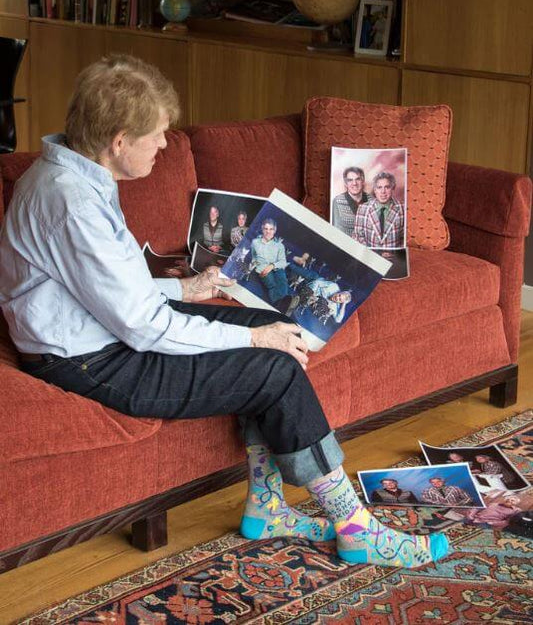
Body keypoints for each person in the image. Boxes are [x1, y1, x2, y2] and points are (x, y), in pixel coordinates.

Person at [0, 54, 448, 569]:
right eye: (158, 135)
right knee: (274, 364)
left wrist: (189, 289)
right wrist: (255, 343)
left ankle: (268, 506)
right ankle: (354, 525)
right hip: (93, 361)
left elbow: (99, 287)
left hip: (100, 334)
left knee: (274, 326)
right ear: (119, 140)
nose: (165, 145)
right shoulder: (71, 202)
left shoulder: (71, 175)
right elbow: (145, 327)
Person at [251, 218, 297, 314]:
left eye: (271, 229)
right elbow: (255, 258)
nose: (268, 231)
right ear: (262, 229)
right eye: (266, 229)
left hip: (275, 267)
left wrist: (272, 265)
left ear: (274, 230)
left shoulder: (280, 246)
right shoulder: (256, 242)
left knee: (282, 280)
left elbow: (282, 262)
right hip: (263, 268)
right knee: (272, 283)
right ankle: (281, 304)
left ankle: (283, 304)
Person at [289, 253, 352, 324]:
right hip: (314, 279)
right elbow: (318, 282)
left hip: (308, 292)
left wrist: (344, 305)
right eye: (339, 295)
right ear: (339, 292)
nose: (337, 297)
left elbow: (338, 320)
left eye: (340, 300)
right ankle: (290, 261)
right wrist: (312, 292)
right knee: (295, 269)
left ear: (340, 302)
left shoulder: (334, 306)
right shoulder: (334, 286)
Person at [353, 171, 405, 248]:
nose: (383, 192)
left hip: (393, 258)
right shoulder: (363, 209)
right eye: (379, 187)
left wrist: (395, 254)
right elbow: (358, 236)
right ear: (375, 190)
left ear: (392, 188)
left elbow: (405, 238)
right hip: (369, 257)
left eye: (387, 187)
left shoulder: (402, 208)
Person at [331, 167, 369, 237]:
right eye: (350, 180)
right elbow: (335, 231)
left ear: (363, 181)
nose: (354, 183)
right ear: (345, 184)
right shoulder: (337, 201)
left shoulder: (372, 200)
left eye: (358, 179)